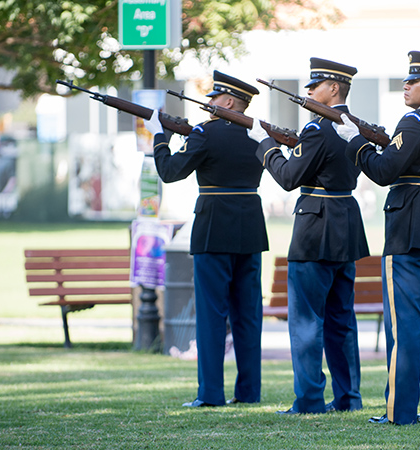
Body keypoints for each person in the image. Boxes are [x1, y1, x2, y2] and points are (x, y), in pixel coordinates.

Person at [334, 51, 420, 425]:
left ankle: (401, 411)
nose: (407, 85)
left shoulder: (414, 121)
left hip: (410, 227)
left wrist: (356, 143)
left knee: (405, 324)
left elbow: (383, 171)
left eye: (416, 80)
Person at [247, 58, 369, 414]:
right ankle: (348, 398)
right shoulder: (353, 127)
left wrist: (267, 145)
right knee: (341, 320)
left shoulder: (319, 129)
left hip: (316, 230)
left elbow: (287, 176)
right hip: (345, 227)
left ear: (333, 88)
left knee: (306, 320)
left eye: (315, 86)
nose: (309, 92)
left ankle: (310, 399)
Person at [145, 71, 268, 408]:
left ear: (228, 102)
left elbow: (170, 172)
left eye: (215, 98)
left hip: (214, 229)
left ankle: (211, 393)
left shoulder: (206, 133)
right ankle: (249, 392)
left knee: (212, 315)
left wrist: (159, 136)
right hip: (250, 229)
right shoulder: (260, 134)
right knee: (247, 315)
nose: (210, 103)